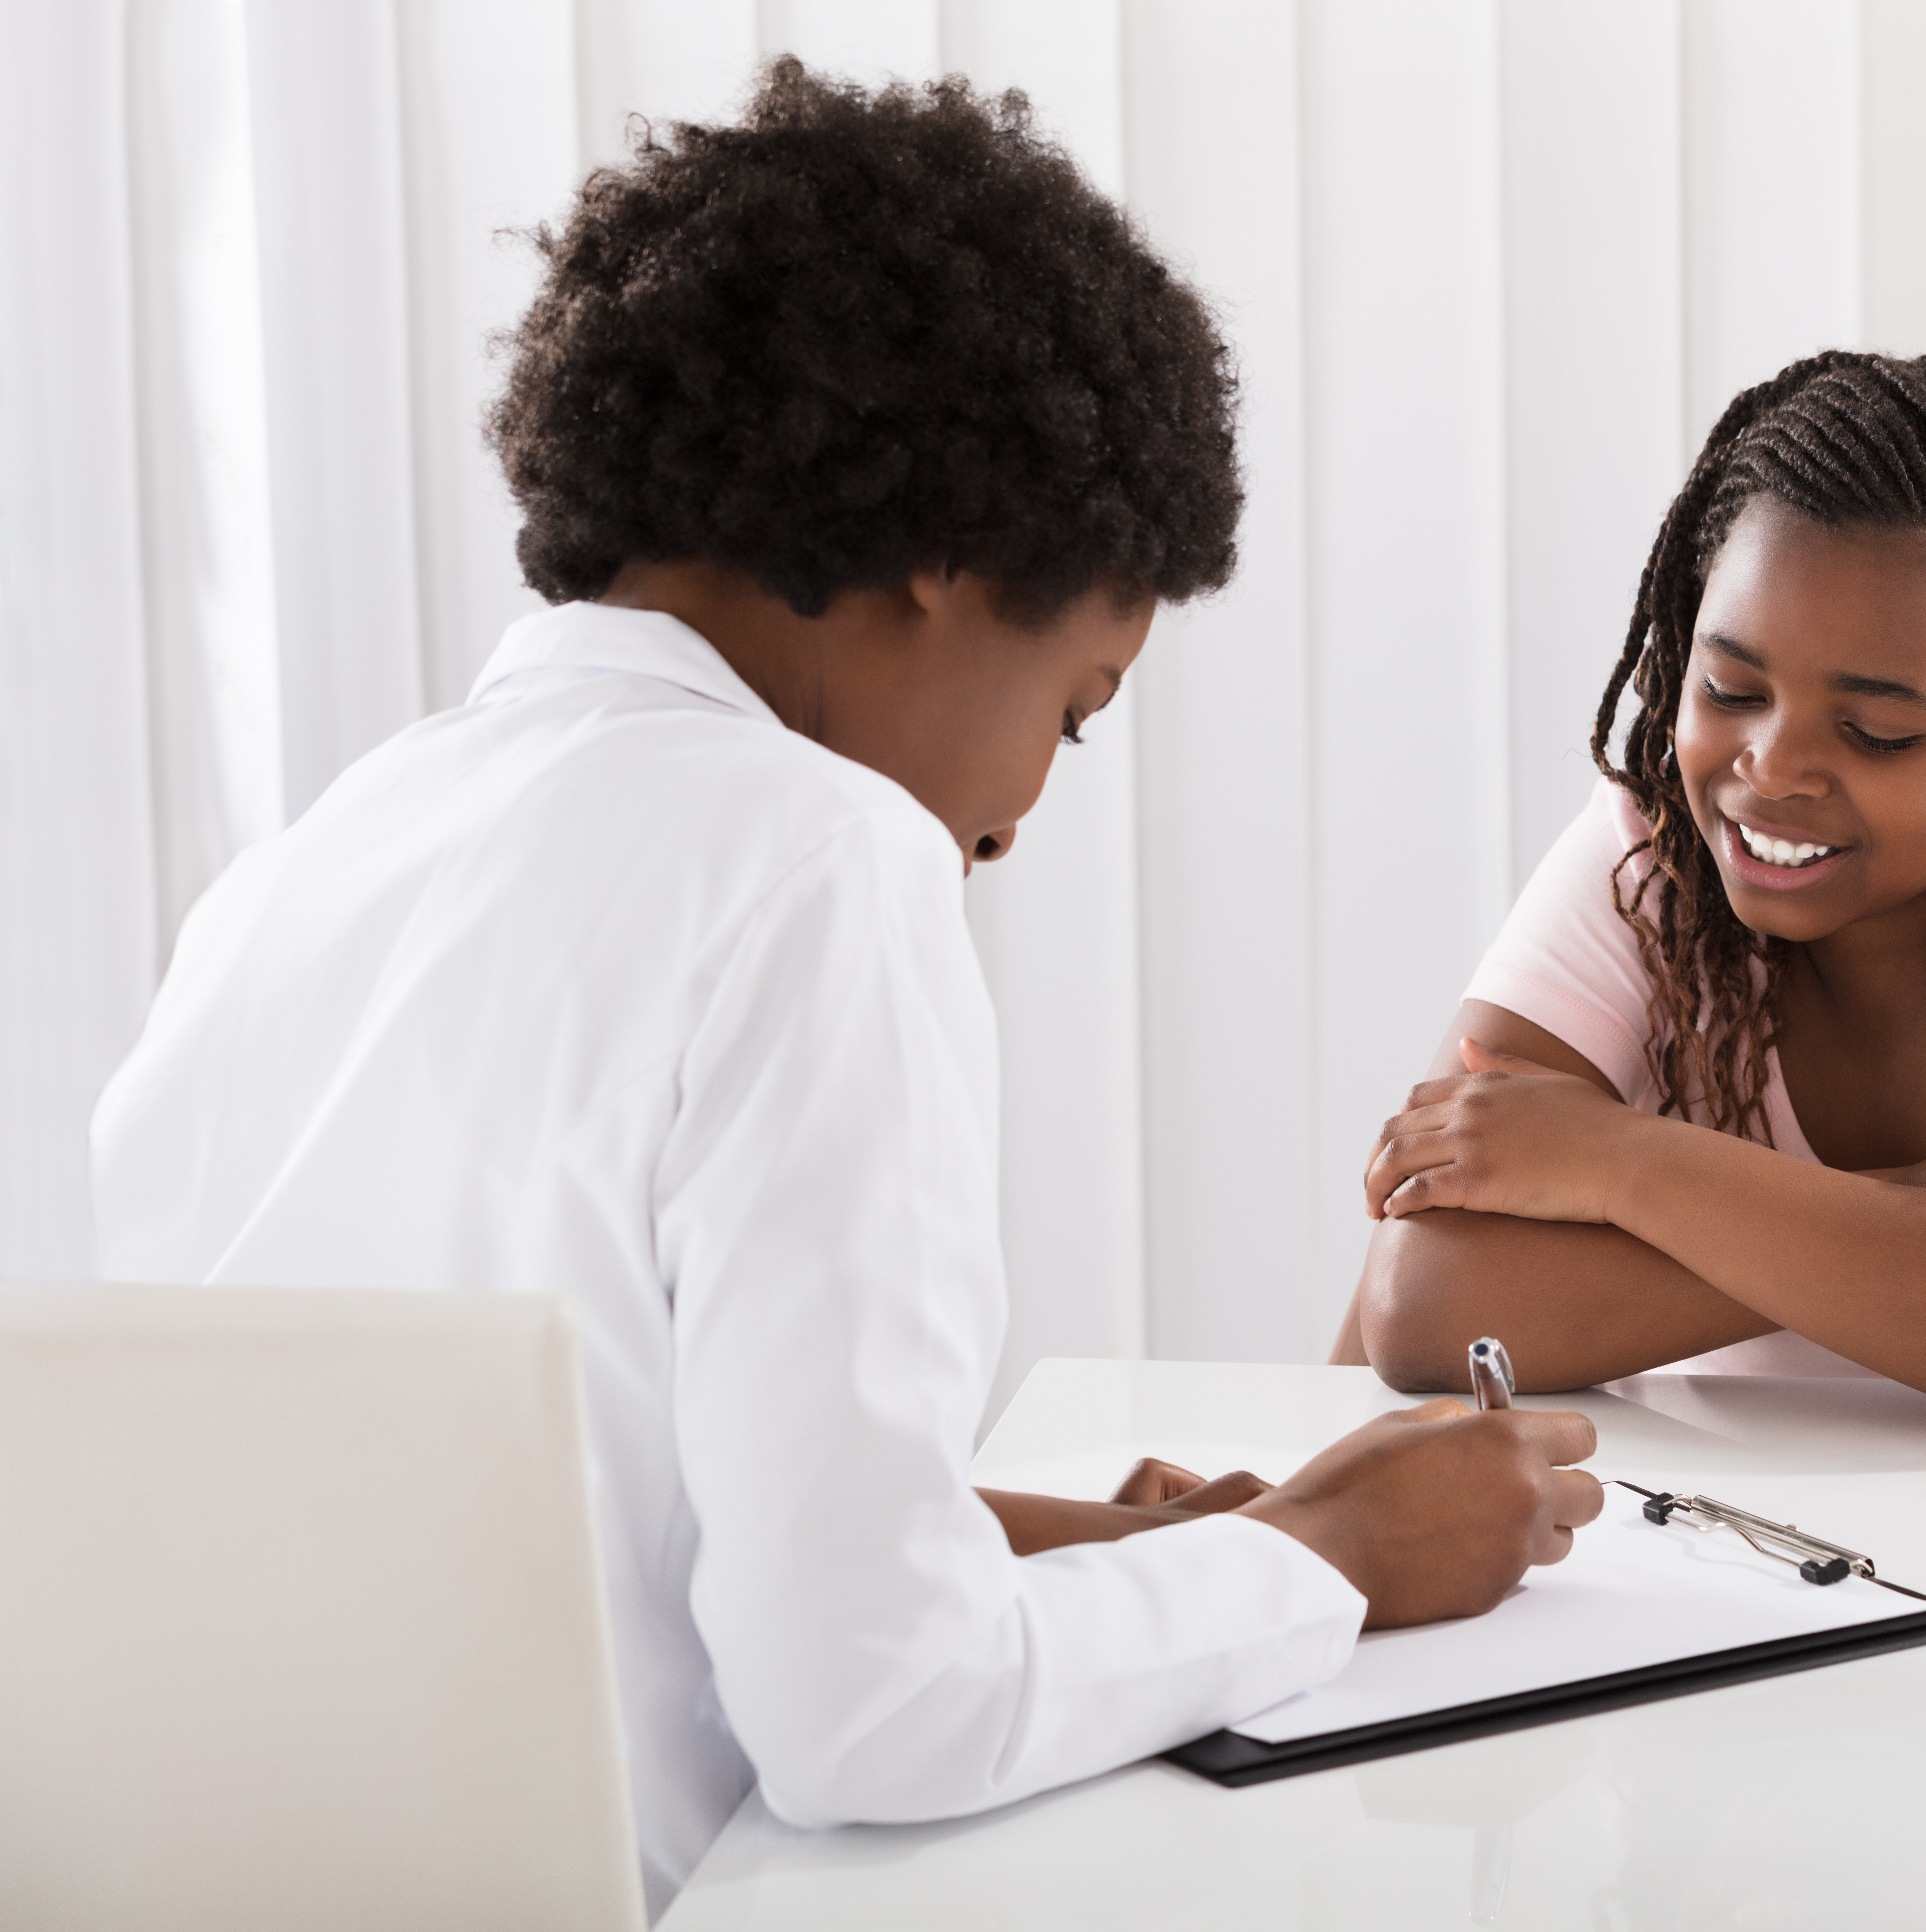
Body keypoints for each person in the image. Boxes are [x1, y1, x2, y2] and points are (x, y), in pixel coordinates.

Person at [93, 62, 1599, 1913]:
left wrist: (1149, 1547)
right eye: (1076, 710)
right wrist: (1337, 1562)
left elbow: (564, 1525)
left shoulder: (313, 866)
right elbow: (875, 1714)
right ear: (946, 566)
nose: (1028, 810)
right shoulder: (815, 858)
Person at [1339, 351, 1926, 1444]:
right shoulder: (1644, 862)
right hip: (1737, 1562)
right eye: (1730, 690)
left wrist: (1619, 1162)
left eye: (1877, 732)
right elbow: (1422, 1307)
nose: (1773, 769)